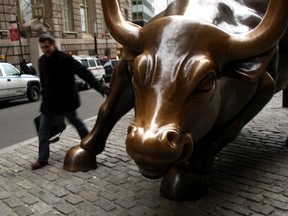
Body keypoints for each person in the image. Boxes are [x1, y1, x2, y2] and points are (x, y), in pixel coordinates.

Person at [32, 34, 110, 170]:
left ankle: (90, 147)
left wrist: (99, 86)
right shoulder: (42, 61)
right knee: (43, 130)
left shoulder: (65, 58)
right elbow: (43, 81)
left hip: (65, 100)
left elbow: (83, 72)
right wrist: (44, 96)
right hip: (49, 103)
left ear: (53, 45)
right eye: (42, 47)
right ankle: (42, 159)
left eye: (47, 46)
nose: (45, 49)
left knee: (77, 123)